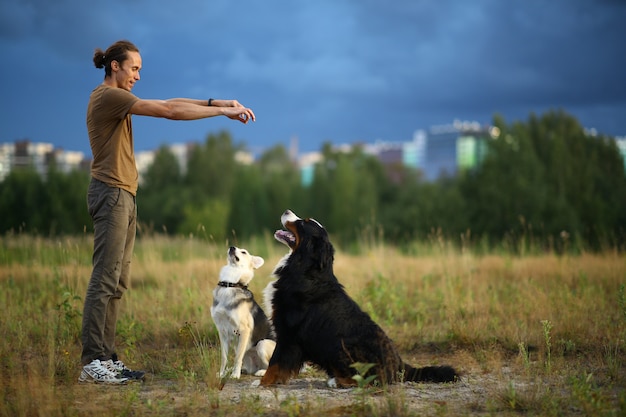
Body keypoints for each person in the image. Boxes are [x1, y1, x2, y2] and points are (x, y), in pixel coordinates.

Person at [79, 39, 255, 384]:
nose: (138, 76)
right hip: (111, 193)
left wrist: (214, 102)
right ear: (115, 66)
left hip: (124, 195)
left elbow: (169, 103)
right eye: (134, 68)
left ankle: (106, 358)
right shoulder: (107, 96)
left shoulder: (120, 99)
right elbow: (169, 112)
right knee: (104, 279)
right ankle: (92, 362)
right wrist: (221, 112)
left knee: (117, 281)